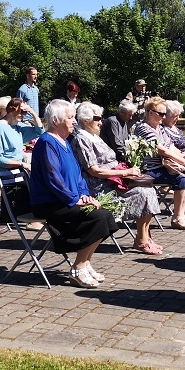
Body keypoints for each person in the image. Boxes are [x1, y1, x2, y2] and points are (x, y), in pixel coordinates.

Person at [29, 99, 119, 288]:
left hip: (67, 199)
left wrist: (85, 195)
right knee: (98, 218)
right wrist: (75, 199)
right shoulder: (47, 143)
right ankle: (78, 268)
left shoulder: (65, 142)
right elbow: (53, 179)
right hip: (50, 203)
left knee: (106, 215)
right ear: (56, 120)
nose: (75, 121)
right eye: (70, 117)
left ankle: (85, 263)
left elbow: (78, 174)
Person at [72, 102, 163, 255]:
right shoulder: (82, 139)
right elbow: (94, 171)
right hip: (99, 186)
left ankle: (144, 237)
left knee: (148, 190)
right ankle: (141, 240)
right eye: (97, 118)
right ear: (85, 120)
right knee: (144, 193)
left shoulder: (94, 136)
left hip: (113, 180)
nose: (101, 122)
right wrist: (124, 173)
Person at [134, 97, 185, 230]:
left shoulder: (159, 128)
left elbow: (171, 147)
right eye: (161, 114)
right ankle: (177, 217)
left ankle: (181, 215)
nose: (163, 117)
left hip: (163, 166)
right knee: (181, 179)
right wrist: (184, 162)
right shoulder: (143, 128)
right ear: (150, 113)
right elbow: (162, 150)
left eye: (164, 114)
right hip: (149, 169)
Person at [0, 96, 44, 228]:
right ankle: (33, 219)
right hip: (4, 171)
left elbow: (40, 131)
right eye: (21, 113)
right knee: (36, 183)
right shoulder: (0, 128)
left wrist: (32, 111)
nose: (23, 116)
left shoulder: (17, 127)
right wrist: (21, 164)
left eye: (25, 113)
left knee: (42, 179)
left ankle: (37, 217)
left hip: (18, 171)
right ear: (11, 111)